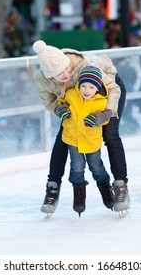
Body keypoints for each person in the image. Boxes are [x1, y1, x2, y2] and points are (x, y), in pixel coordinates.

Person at [32, 40, 130, 215]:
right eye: (61, 74)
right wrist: (58, 108)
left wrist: (106, 114)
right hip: (76, 101)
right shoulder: (42, 79)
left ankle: (121, 186)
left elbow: (113, 88)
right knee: (64, 138)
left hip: (107, 90)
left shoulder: (81, 65)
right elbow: (49, 101)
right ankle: (52, 189)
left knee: (110, 134)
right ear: (50, 75)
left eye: (67, 69)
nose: (67, 73)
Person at [55, 66, 114, 216]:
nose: (86, 90)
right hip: (72, 139)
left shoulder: (101, 101)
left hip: (90, 141)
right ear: (79, 84)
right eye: (83, 86)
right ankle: (79, 193)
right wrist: (61, 110)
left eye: (91, 87)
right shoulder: (71, 94)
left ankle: (105, 188)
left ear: (97, 87)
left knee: (96, 167)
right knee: (76, 167)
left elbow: (107, 115)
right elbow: (59, 105)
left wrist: (96, 118)